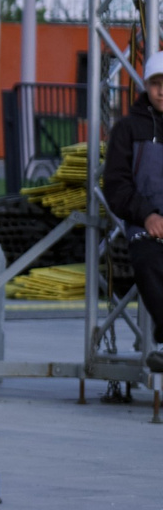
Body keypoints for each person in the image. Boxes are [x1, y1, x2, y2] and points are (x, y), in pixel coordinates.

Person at [103, 55, 163, 370]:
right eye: (156, 83)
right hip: (144, 225)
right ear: (146, 86)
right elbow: (116, 185)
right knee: (149, 263)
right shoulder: (128, 129)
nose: (162, 91)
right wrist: (148, 215)